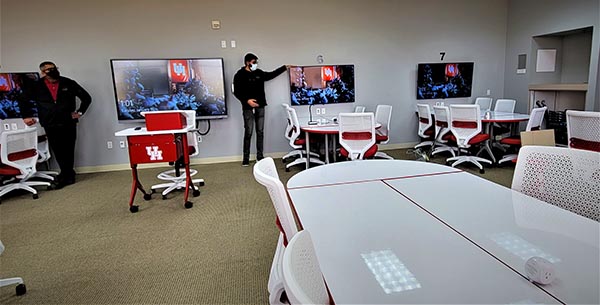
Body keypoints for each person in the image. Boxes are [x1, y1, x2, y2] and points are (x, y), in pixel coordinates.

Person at [20, 61, 92, 189]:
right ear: (42, 72)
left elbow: (86, 97)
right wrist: (26, 116)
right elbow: (23, 100)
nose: (52, 71)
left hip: (68, 122)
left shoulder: (68, 82)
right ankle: (67, 174)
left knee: (68, 149)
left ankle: (67, 175)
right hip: (50, 122)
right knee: (58, 150)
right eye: (48, 70)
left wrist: (80, 112)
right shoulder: (36, 86)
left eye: (54, 68)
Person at [233, 53, 288, 166]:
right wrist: (247, 101)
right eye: (254, 62)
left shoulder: (259, 73)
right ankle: (246, 158)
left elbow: (271, 75)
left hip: (260, 106)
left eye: (256, 62)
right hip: (247, 107)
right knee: (248, 132)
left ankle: (259, 156)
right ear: (248, 62)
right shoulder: (239, 75)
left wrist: (284, 68)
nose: (255, 64)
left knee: (260, 132)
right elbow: (237, 92)